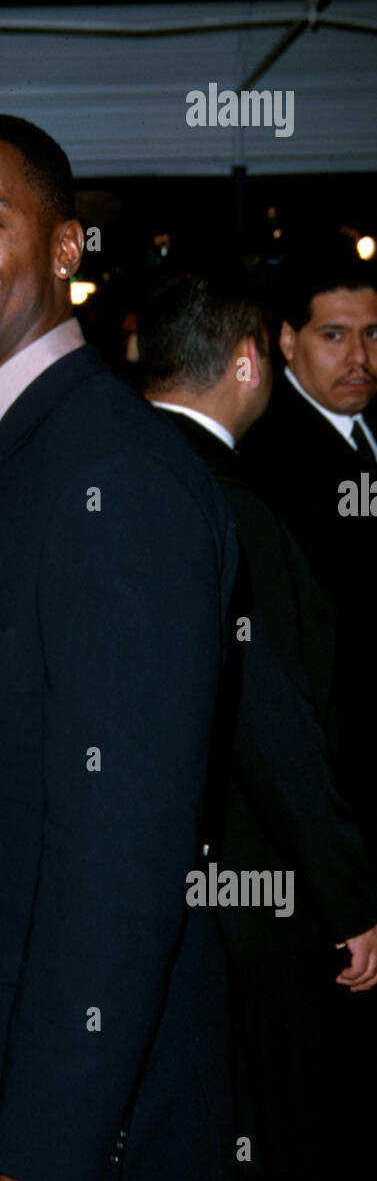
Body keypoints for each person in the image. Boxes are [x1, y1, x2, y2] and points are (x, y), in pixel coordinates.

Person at [0, 113, 241, 1181]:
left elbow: (124, 839)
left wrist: (56, 1146)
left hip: (69, 1128)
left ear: (64, 249)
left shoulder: (113, 472)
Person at [140, 268, 377, 1181]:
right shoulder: (229, 503)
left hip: (137, 889)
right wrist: (349, 895)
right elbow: (273, 727)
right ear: (253, 360)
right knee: (283, 1155)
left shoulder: (97, 479)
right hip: (256, 897)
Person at [237, 256, 377, 839]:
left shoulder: (368, 423)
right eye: (335, 336)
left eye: (372, 334)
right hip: (339, 775)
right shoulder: (268, 460)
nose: (360, 359)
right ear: (288, 342)